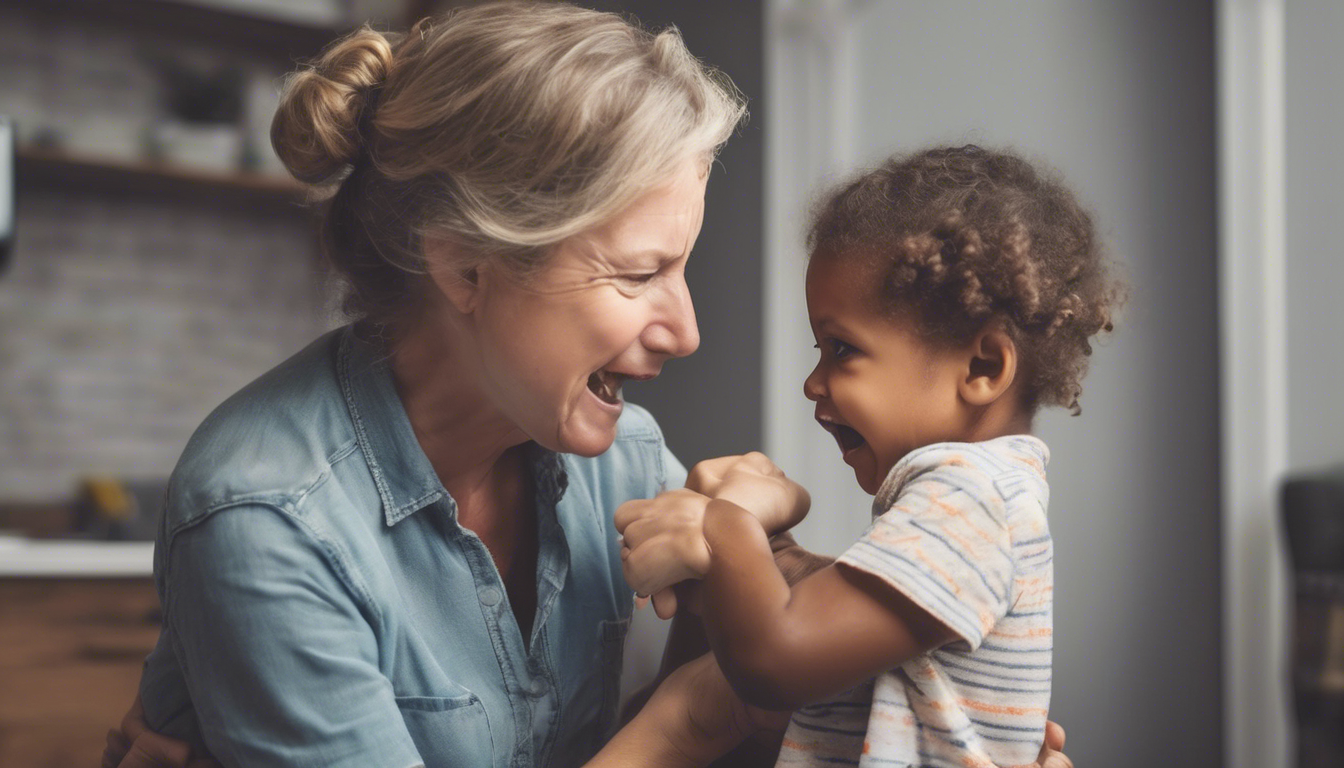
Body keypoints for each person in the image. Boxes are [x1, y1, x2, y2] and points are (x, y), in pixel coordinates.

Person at [100, 3, 1075, 764]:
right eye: (640, 273)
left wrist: (947, 730)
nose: (687, 331)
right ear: (465, 268)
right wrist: (686, 725)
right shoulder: (266, 521)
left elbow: (779, 701)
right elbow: (708, 720)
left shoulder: (630, 466)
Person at [617, 146, 1117, 767]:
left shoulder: (972, 498)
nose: (812, 382)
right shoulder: (977, 501)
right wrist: (778, 556)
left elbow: (777, 660)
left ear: (983, 367)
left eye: (842, 349)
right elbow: (841, 616)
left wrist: (721, 529)